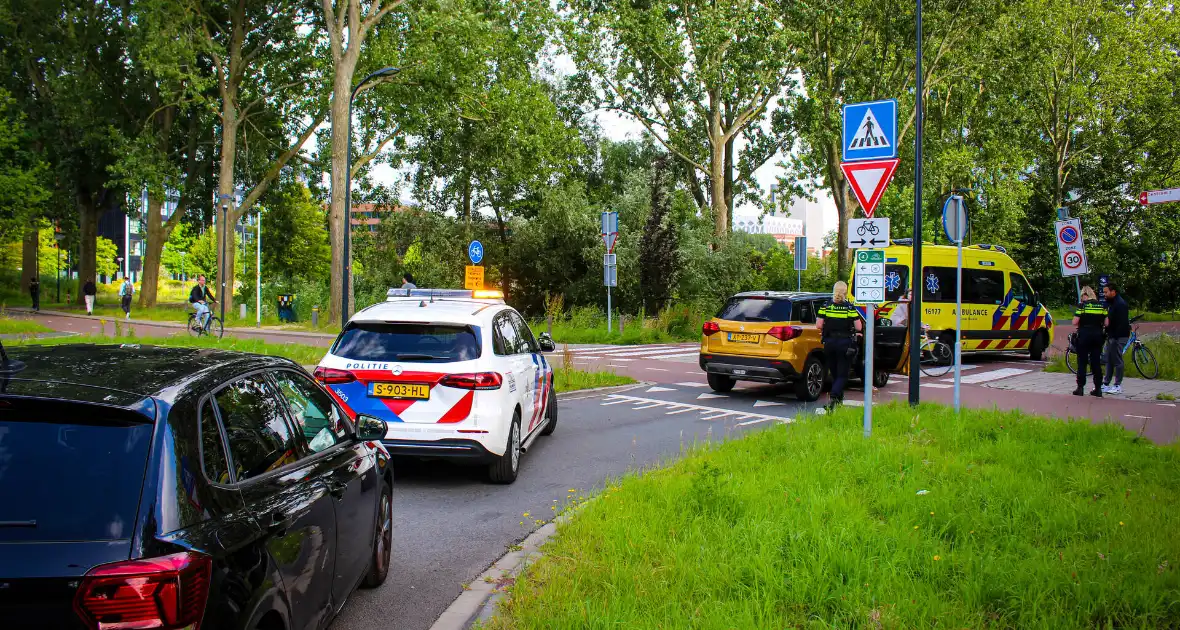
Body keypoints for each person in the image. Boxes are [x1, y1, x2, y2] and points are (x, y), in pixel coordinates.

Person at [816, 281, 863, 410]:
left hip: (829, 343)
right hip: (844, 344)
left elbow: (819, 325)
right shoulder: (849, 307)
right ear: (845, 292)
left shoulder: (826, 306)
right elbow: (859, 327)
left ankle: (838, 402)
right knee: (842, 375)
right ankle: (834, 397)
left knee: (835, 373)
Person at [1072, 286, 1108, 398]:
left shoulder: (1082, 306)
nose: (1081, 298)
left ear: (1084, 295)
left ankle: (1080, 388)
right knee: (1096, 362)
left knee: (1082, 362)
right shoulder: (1101, 305)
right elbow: (1106, 323)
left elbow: (1075, 322)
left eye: (1082, 295)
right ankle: (1098, 388)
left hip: (1084, 335)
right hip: (1097, 336)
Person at [1101, 283, 1130, 394]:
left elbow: (1121, 324)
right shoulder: (1111, 303)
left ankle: (1117, 385)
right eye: (1104, 292)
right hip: (1112, 336)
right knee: (1108, 358)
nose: (1105, 294)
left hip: (1119, 336)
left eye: (1106, 292)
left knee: (1117, 359)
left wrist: (1114, 338)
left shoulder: (1120, 304)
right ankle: (1106, 383)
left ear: (1113, 292)